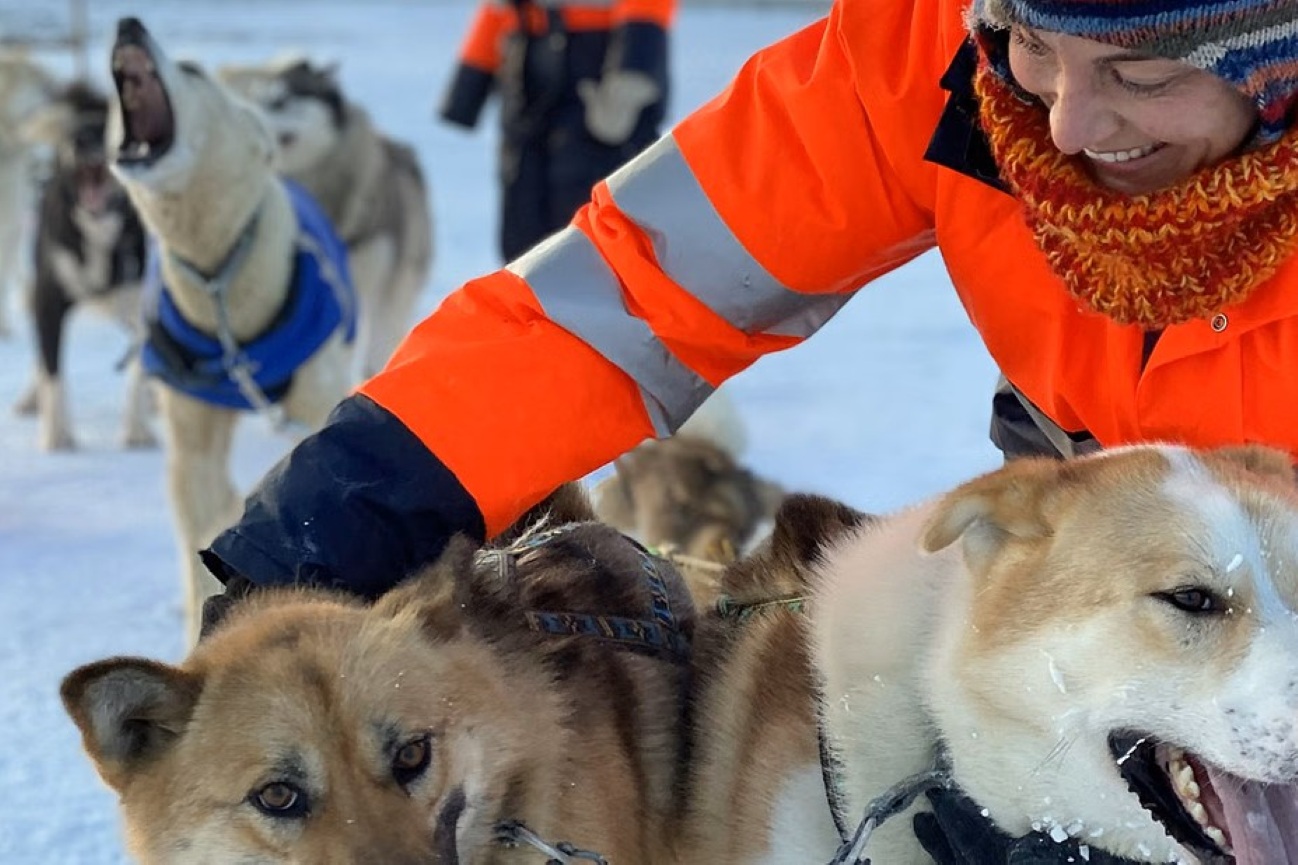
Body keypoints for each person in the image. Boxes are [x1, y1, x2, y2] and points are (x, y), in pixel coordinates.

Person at [201, 0, 1298, 860]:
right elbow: (632, 287)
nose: (1064, 125)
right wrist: (358, 492)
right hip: (1095, 541)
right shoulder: (934, 48)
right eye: (1033, 50)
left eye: (1142, 75)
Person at [438, 0, 674, 261]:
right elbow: (496, 9)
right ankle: (526, 297)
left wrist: (632, 74)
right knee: (523, 226)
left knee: (595, 230)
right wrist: (471, 77)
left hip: (599, 63)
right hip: (525, 61)